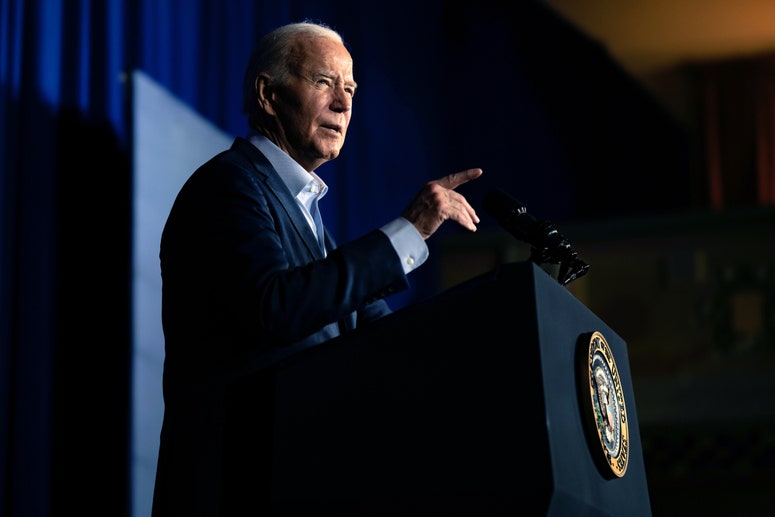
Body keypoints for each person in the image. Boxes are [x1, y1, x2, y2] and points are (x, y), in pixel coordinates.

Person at [151, 20, 482, 516]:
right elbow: (277, 307)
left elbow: (379, 336)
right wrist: (410, 231)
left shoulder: (310, 220)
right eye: (324, 83)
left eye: (349, 90)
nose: (344, 106)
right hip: (234, 485)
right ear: (269, 94)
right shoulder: (227, 187)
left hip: (299, 478)